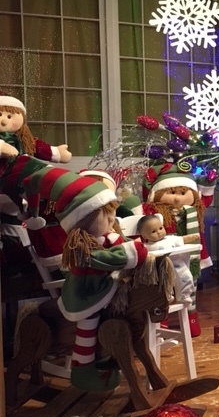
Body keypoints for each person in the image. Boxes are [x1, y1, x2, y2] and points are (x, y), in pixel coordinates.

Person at [6, 157, 149, 391]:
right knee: (88, 324)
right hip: (84, 295)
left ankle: (107, 356)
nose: (112, 220)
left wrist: (127, 244)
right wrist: (130, 253)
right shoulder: (81, 246)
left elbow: (118, 243)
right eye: (105, 216)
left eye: (112, 213)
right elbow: (102, 259)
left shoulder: (104, 236)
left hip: (100, 288)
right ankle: (83, 369)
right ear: (83, 220)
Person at [141, 163, 213, 337]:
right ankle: (162, 318)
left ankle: (191, 318)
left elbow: (206, 199)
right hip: (163, 256)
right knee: (162, 287)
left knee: (190, 285)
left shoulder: (194, 211)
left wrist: (209, 182)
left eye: (183, 193)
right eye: (172, 192)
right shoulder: (154, 212)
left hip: (189, 256)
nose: (178, 198)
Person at [137, 213, 199, 305]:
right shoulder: (146, 246)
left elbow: (182, 239)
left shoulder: (170, 239)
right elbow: (137, 249)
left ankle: (184, 295)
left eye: (161, 228)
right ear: (144, 236)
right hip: (161, 268)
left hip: (177, 265)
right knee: (162, 282)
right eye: (153, 231)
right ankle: (166, 296)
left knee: (186, 277)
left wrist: (192, 237)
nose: (159, 232)